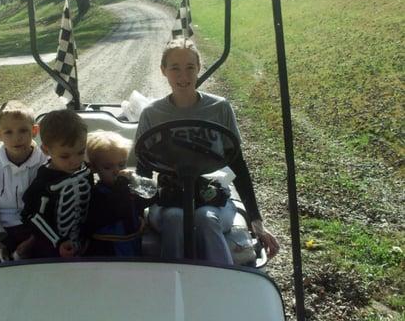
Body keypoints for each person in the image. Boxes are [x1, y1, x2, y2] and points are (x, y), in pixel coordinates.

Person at [135, 37, 280, 265]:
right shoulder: (152, 114)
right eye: (175, 68)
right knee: (175, 218)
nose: (183, 76)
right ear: (163, 71)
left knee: (206, 218)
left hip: (213, 196)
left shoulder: (219, 108)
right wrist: (135, 215)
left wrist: (256, 219)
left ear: (199, 68)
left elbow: (238, 164)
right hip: (169, 198)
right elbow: (142, 171)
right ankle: (171, 286)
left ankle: (223, 286)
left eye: (190, 68)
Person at [0, 100, 48, 265]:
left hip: (37, 229)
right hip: (3, 230)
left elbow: (50, 206)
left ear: (35, 130)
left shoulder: (45, 163)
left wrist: (34, 238)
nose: (17, 138)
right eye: (8, 132)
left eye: (23, 130)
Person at [21, 109, 93, 258]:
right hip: (52, 251)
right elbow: (30, 215)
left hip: (87, 244)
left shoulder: (86, 171)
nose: (75, 161)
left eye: (80, 152)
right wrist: (57, 241)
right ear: (46, 150)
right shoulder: (43, 183)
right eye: (65, 156)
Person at [83, 130, 157, 257]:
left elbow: (145, 200)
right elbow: (115, 209)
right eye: (108, 167)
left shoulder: (128, 187)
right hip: (108, 251)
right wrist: (122, 186)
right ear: (94, 168)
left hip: (132, 245)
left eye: (121, 165)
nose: (117, 171)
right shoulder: (96, 194)